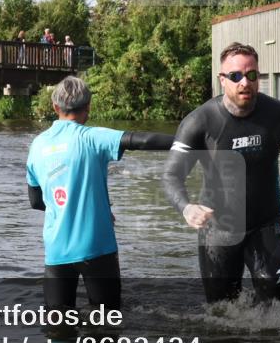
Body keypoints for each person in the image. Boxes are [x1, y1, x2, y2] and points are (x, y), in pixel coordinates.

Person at [163, 42, 280, 304]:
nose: (244, 83)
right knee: (221, 313)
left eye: (251, 75)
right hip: (219, 229)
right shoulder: (199, 121)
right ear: (222, 79)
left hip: (268, 224)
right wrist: (186, 207)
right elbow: (172, 175)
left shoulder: (279, 114)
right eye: (235, 76)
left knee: (276, 311)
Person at [26, 76, 173, 311]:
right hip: (97, 247)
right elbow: (140, 140)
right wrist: (188, 142)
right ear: (88, 107)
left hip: (56, 250)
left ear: (55, 107)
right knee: (106, 323)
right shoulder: (92, 137)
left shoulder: (37, 145)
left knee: (58, 326)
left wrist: (67, 208)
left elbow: (36, 201)